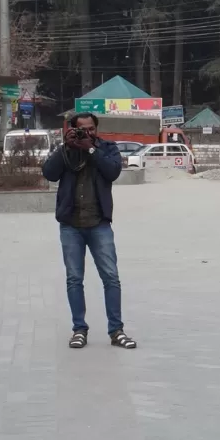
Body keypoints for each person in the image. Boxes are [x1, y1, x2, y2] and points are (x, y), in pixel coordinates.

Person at [41, 112, 136, 350]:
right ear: (72, 129)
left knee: (111, 277)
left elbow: (113, 172)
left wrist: (91, 149)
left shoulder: (107, 148)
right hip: (71, 225)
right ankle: (79, 330)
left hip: (99, 224)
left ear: (96, 129)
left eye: (91, 129)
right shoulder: (66, 150)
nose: (87, 133)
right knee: (74, 279)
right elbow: (49, 173)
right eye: (82, 129)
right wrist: (67, 146)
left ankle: (116, 331)